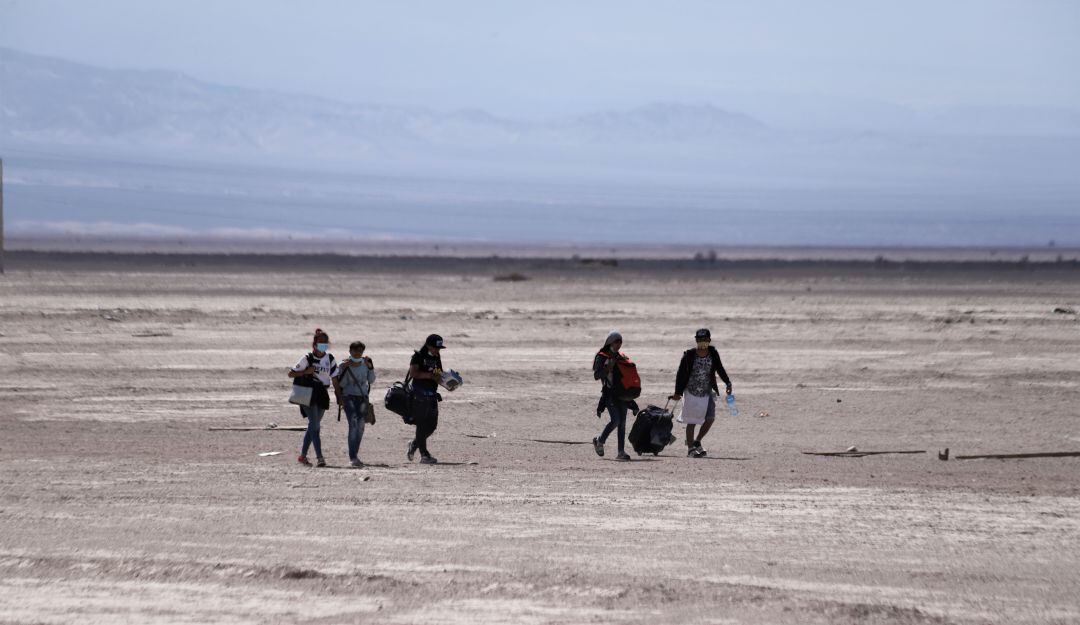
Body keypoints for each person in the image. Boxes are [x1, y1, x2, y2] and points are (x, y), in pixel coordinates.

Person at [670, 328, 732, 458]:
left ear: (709, 340)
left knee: (710, 418)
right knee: (692, 421)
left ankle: (697, 441)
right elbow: (680, 374)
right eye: (700, 340)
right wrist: (677, 393)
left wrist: (727, 382)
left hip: (707, 392)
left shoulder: (713, 353)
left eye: (705, 340)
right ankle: (690, 449)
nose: (702, 342)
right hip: (691, 392)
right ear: (696, 340)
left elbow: (720, 368)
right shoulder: (689, 355)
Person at [288, 328, 336, 467]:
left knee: (313, 426)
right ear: (314, 344)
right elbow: (291, 374)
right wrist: (305, 372)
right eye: (321, 342)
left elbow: (335, 377)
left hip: (322, 393)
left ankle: (302, 456)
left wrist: (339, 395)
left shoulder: (330, 359)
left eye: (325, 342)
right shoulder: (307, 358)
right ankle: (320, 457)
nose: (323, 344)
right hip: (307, 393)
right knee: (315, 426)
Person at [332, 341, 376, 468]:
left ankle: (354, 454)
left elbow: (371, 380)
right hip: (348, 397)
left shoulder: (366, 363)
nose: (357, 353)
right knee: (353, 423)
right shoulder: (343, 365)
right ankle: (352, 457)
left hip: (362, 398)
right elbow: (340, 384)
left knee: (361, 426)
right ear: (350, 351)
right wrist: (345, 369)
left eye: (360, 351)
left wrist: (370, 367)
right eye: (355, 351)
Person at [592, 330, 632, 461]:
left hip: (622, 394)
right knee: (616, 420)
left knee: (622, 423)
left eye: (621, 342)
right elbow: (597, 375)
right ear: (610, 342)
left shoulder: (621, 356)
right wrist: (608, 367)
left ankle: (621, 452)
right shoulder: (601, 356)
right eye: (616, 341)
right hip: (609, 394)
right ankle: (600, 440)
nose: (619, 344)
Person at [407, 334, 446, 464]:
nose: (437, 350)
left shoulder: (437, 356)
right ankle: (424, 455)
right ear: (428, 345)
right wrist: (430, 375)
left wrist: (449, 381)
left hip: (432, 394)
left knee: (432, 426)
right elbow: (414, 373)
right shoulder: (417, 356)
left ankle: (414, 444)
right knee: (422, 424)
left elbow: (439, 373)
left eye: (439, 348)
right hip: (419, 395)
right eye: (435, 348)